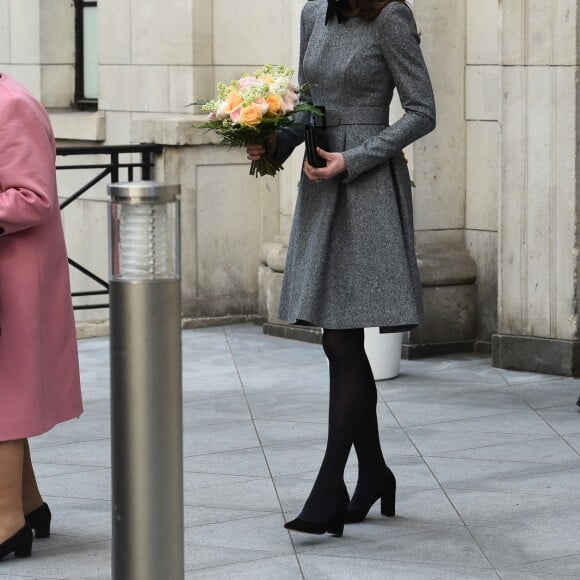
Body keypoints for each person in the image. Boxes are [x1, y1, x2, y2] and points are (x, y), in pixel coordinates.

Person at [247, 0, 435, 536]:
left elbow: (423, 109)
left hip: (368, 187)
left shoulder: (390, 16)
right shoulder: (313, 14)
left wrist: (357, 157)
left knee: (342, 340)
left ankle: (332, 484)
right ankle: (373, 473)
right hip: (321, 185)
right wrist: (272, 145)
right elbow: (309, 106)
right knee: (341, 341)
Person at [0, 73, 83, 561]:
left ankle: (7, 523)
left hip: (16, 277)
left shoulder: (11, 105)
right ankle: (29, 506)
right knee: (9, 391)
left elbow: (33, 196)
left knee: (6, 395)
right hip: (12, 271)